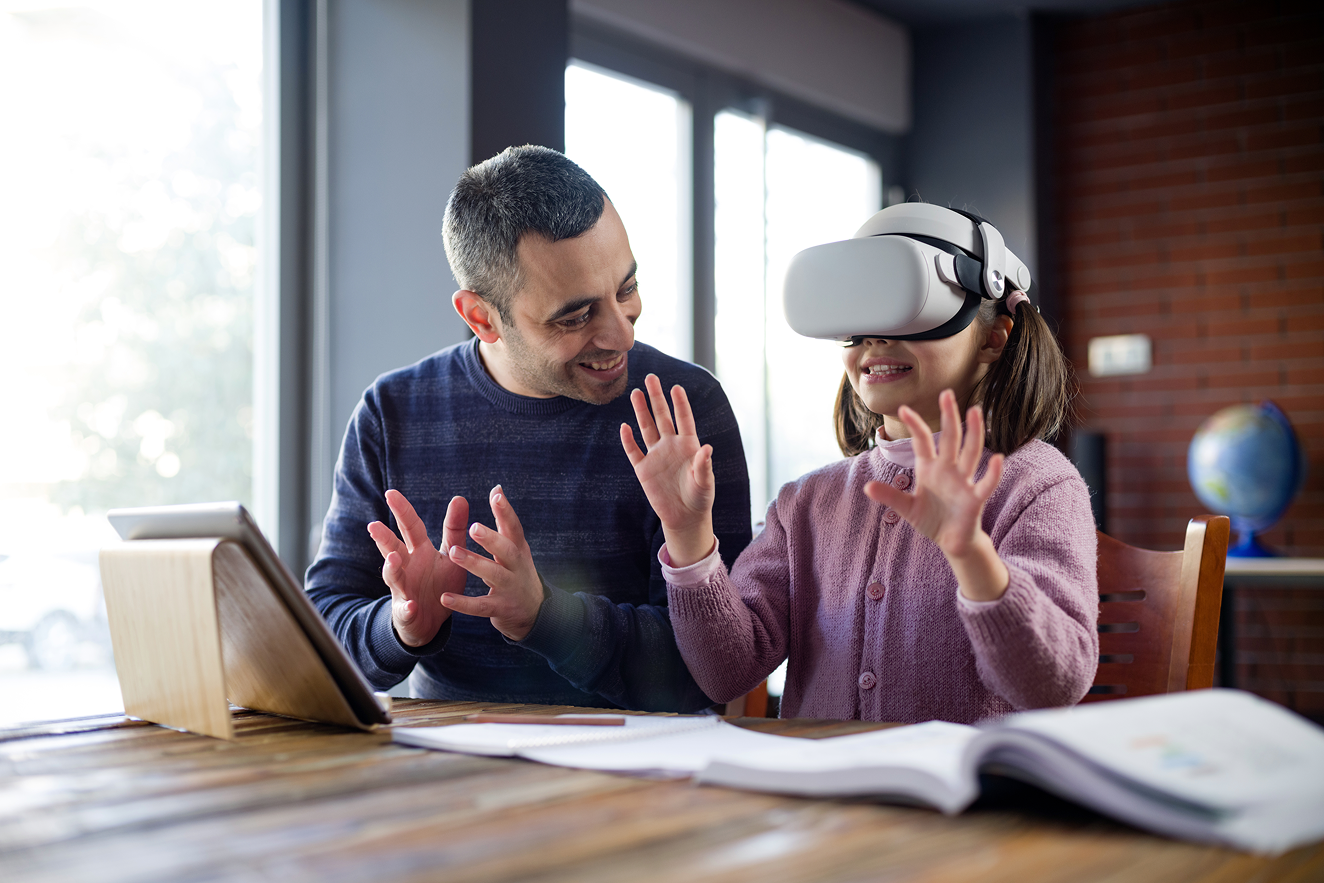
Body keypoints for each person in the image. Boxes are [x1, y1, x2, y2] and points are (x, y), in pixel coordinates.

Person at [305, 146, 752, 712]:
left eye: (627, 289)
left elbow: (713, 668)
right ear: (481, 317)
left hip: (642, 777)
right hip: (456, 769)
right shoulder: (392, 413)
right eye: (576, 315)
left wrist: (545, 618)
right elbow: (324, 631)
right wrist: (401, 627)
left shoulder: (687, 408)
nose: (622, 335)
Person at [621, 235, 1097, 723]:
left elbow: (1051, 688)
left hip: (968, 794)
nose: (875, 339)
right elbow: (725, 674)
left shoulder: (1039, 486)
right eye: (859, 325)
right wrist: (686, 535)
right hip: (819, 790)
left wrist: (970, 556)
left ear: (993, 337)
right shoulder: (806, 502)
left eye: (910, 316)